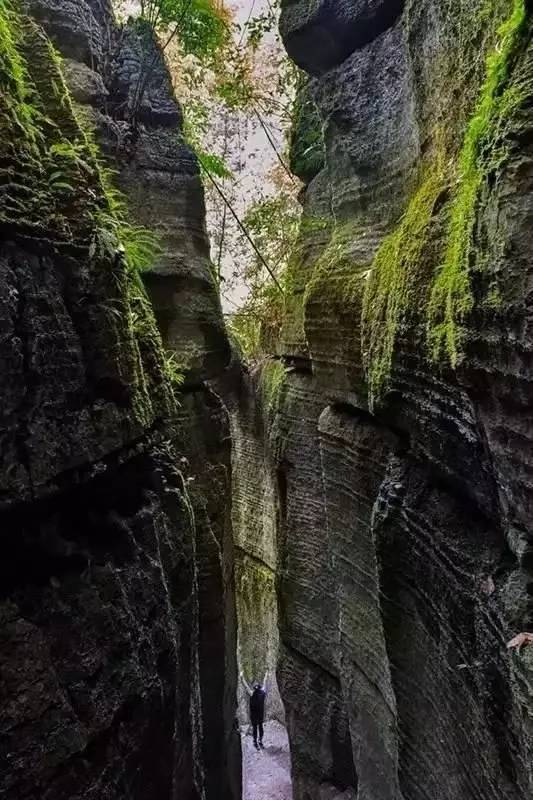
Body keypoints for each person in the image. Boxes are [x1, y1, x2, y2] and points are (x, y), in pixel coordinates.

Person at [240, 670, 268, 750]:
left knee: (255, 728)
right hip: (260, 715)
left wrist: (242, 678)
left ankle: (255, 742)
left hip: (254, 716)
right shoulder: (262, 693)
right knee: (261, 728)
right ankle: (260, 741)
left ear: (254, 688)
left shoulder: (252, 693)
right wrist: (266, 675)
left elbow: (246, 687)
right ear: (259, 687)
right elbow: (265, 683)